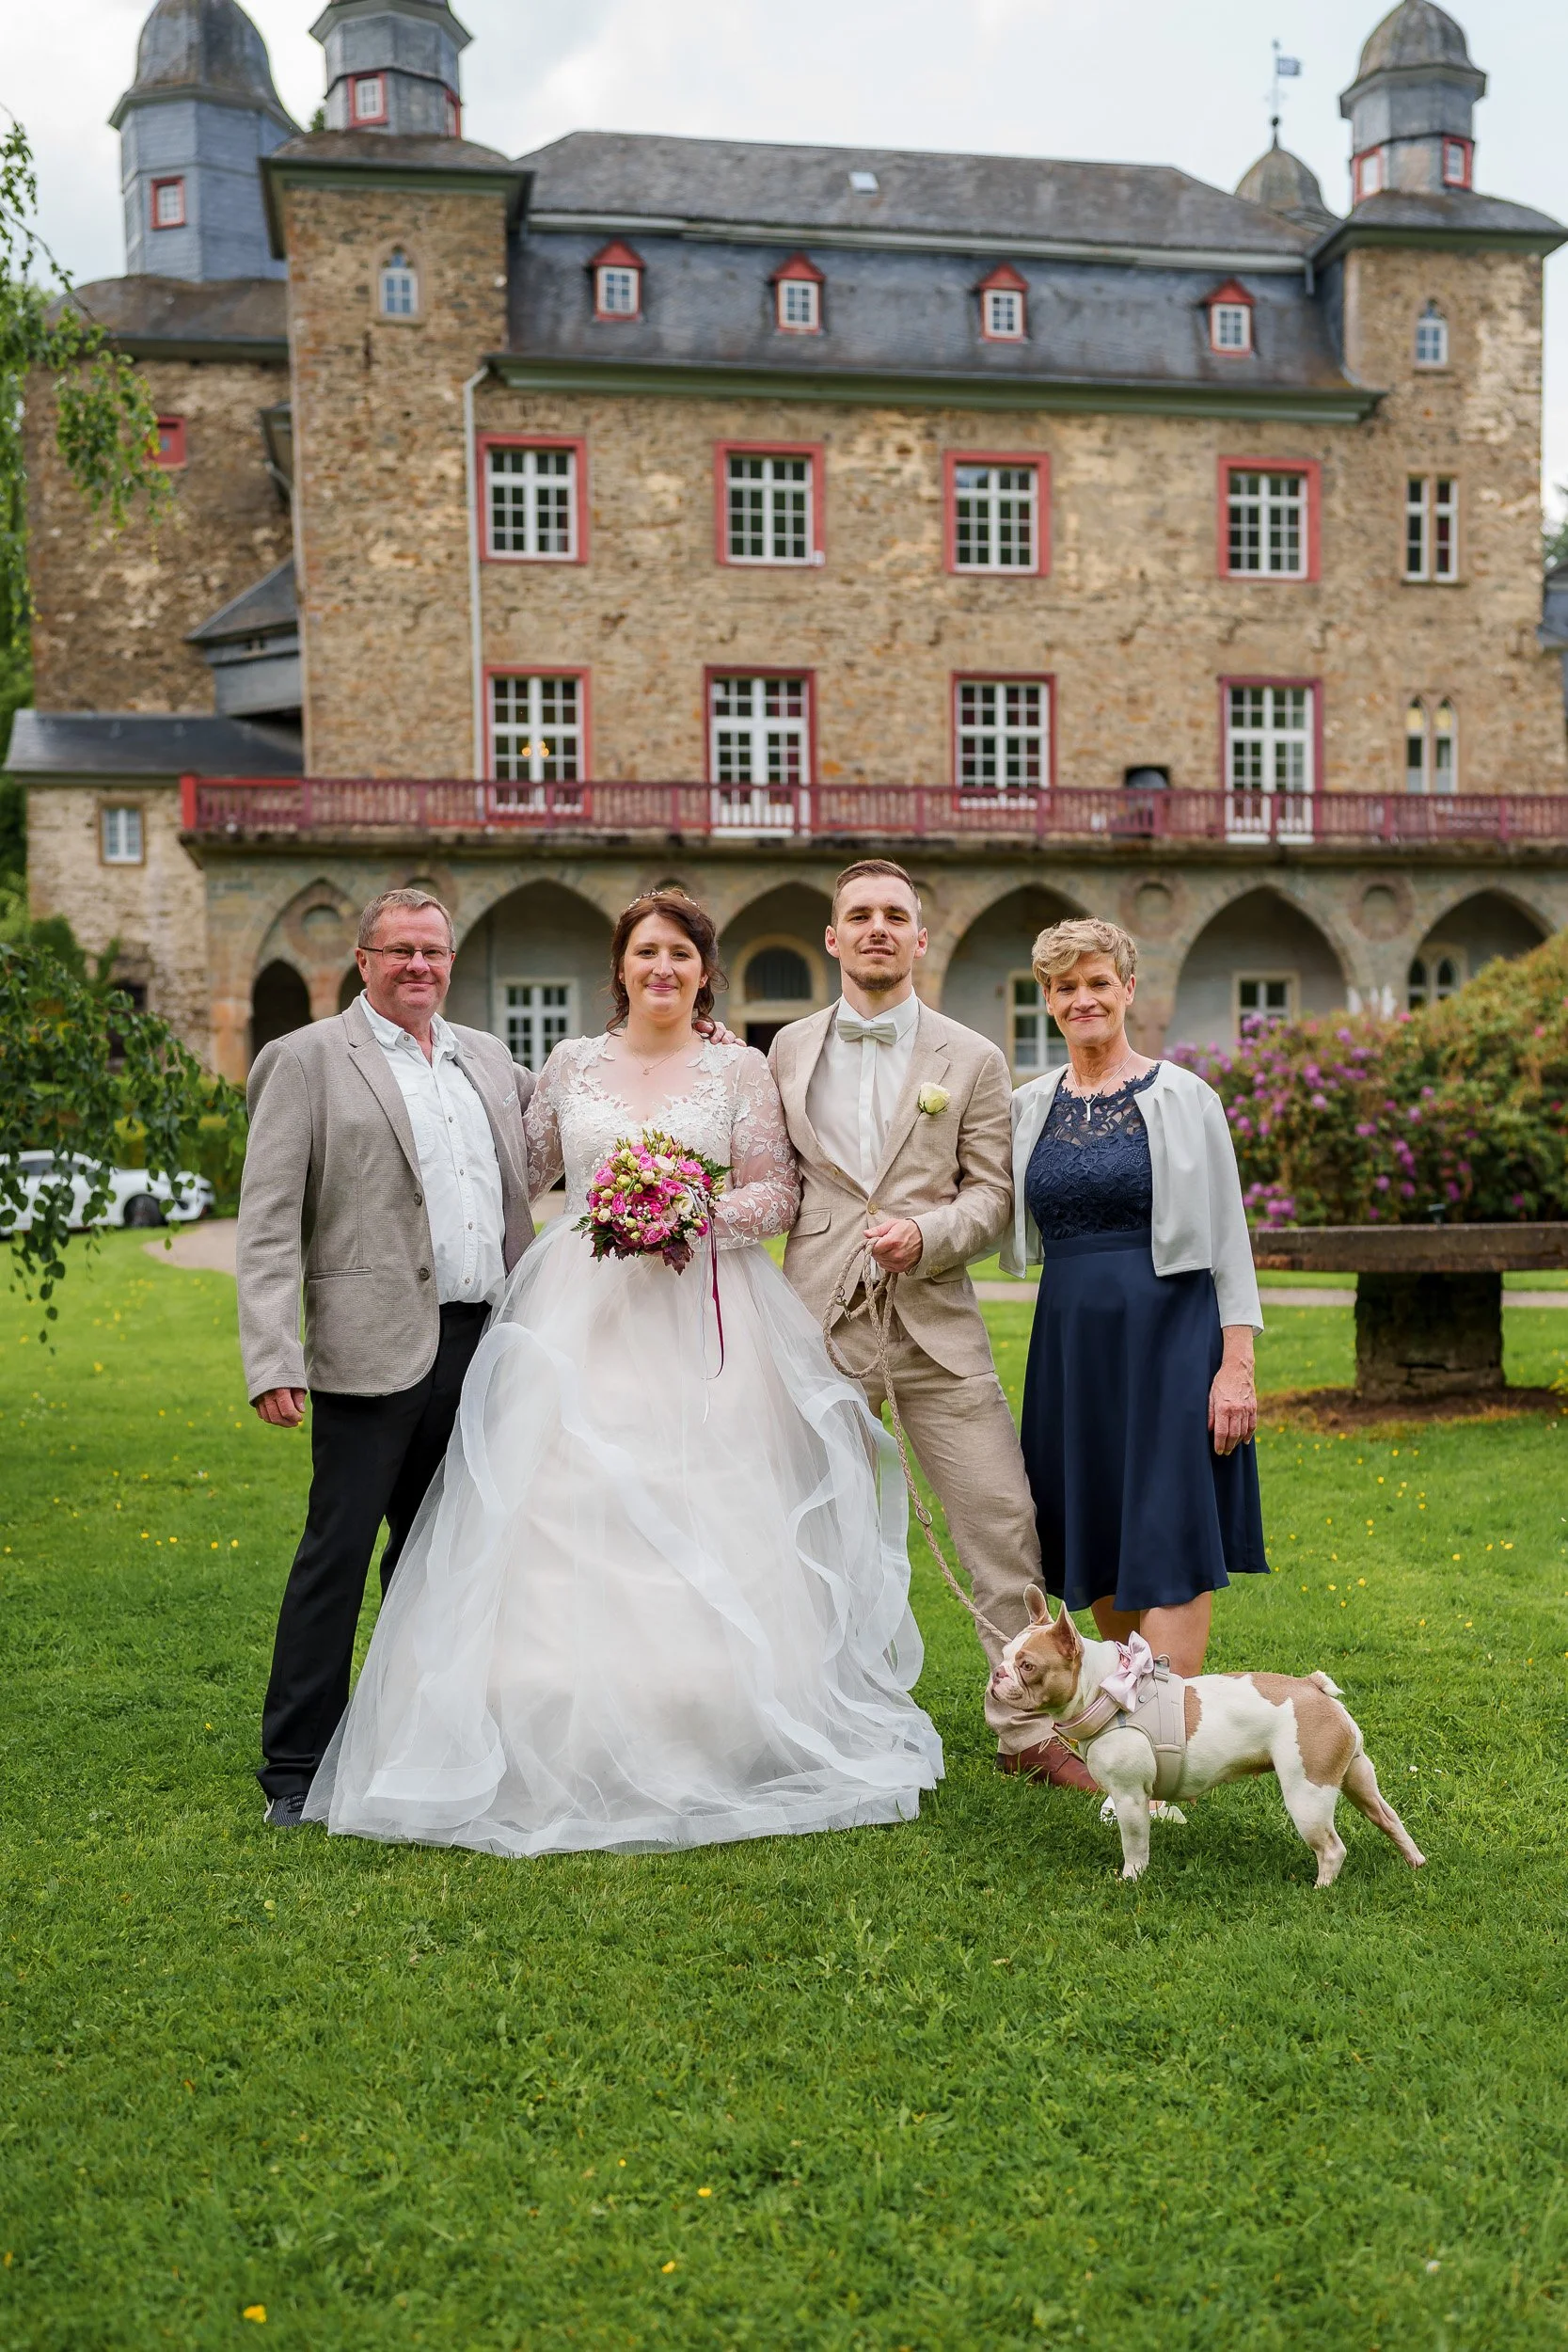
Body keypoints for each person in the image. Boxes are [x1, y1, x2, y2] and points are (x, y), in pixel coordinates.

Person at [303, 890, 942, 1854]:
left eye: (680, 954)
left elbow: (774, 1193)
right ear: (621, 966)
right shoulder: (568, 1065)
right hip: (576, 1308)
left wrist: (689, 1212)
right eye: (646, 952)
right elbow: (513, 1173)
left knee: (709, 1499)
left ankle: (712, 1710)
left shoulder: (739, 1067)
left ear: (703, 971)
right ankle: (544, 1705)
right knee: (555, 1497)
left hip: (704, 1311)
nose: (662, 969)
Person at [768, 858, 1094, 1792]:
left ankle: (1025, 1728)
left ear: (918, 938)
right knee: (810, 1524)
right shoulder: (784, 1049)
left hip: (935, 1321)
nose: (876, 927)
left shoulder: (973, 1058)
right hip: (817, 1322)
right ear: (833, 937)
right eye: (858, 915)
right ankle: (815, 1713)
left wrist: (929, 1235)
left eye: (893, 915)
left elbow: (993, 1195)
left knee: (1000, 1519)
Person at [237, 887, 539, 1825]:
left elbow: (572, 1126)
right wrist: (272, 1355)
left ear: (450, 961)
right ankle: (296, 1766)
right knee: (336, 1553)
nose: (419, 965)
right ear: (362, 960)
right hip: (367, 1347)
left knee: (444, 1556)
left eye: (433, 950)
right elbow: (267, 1222)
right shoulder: (305, 1060)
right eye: (400, 949)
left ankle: (417, 1740)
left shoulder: (488, 1059)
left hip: (482, 1342)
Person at [1004, 917, 1266, 1677]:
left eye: (1097, 983)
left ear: (1126, 989)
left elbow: (1229, 1237)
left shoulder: (1186, 1097)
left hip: (1171, 1336)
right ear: (1047, 1000)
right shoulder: (1026, 1106)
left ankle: (1166, 1725)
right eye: (1064, 987)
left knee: (1171, 1525)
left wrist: (1236, 1366)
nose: (1082, 999)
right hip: (1071, 1345)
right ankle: (1132, 1709)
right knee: (1098, 1526)